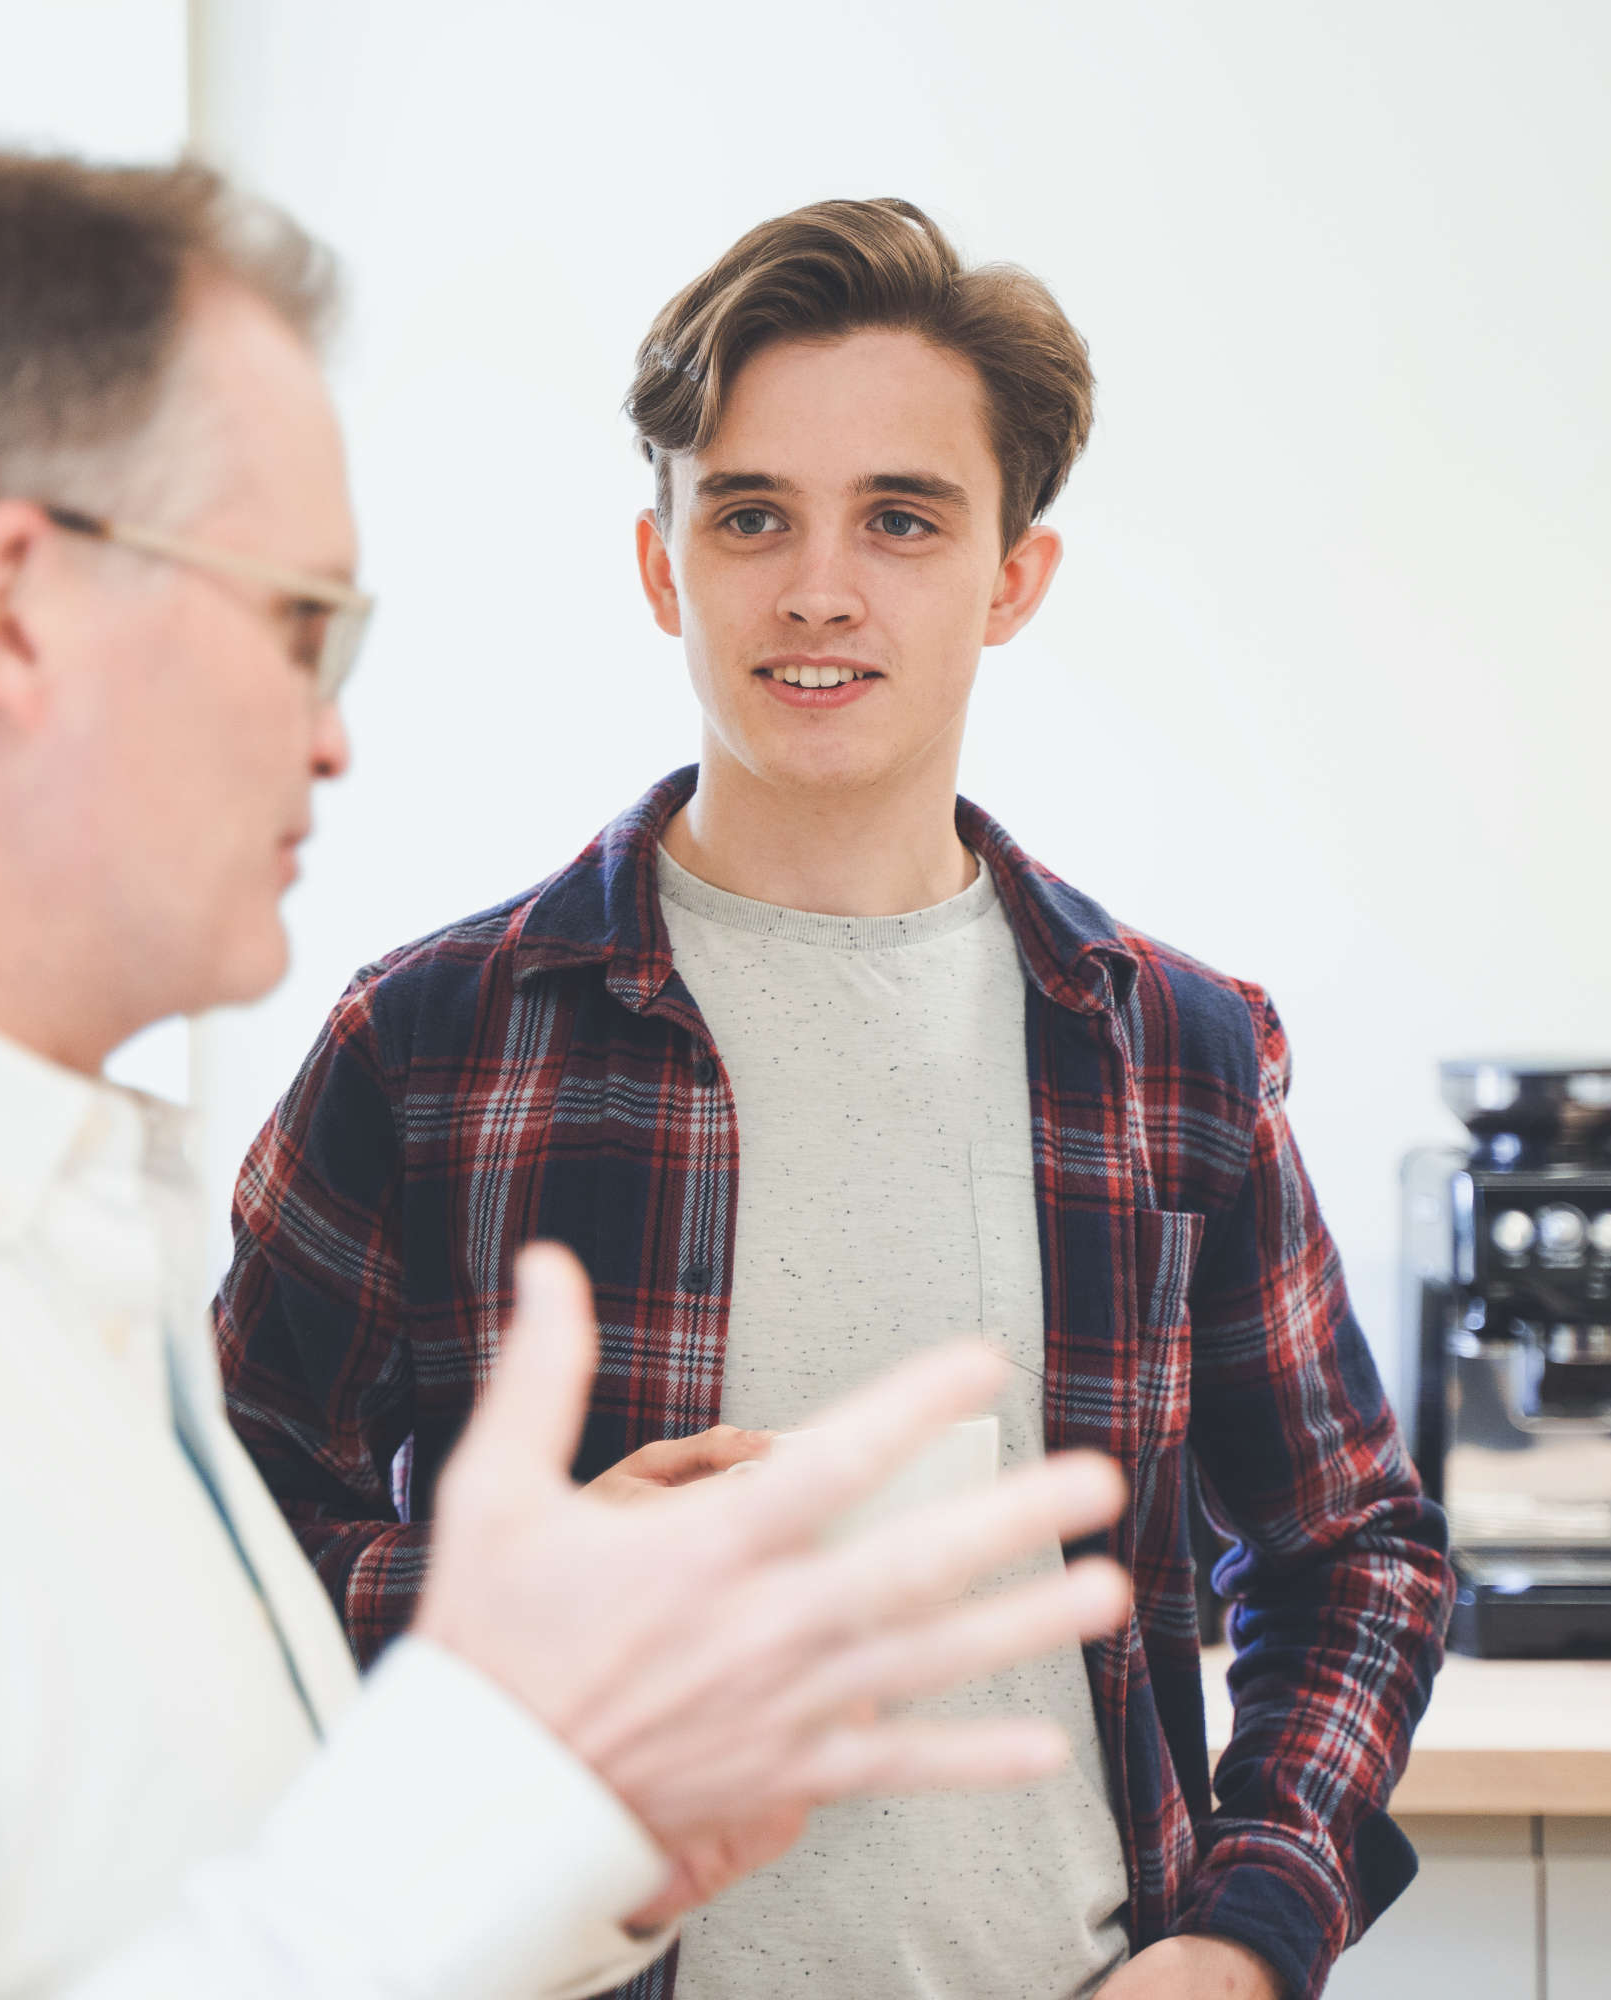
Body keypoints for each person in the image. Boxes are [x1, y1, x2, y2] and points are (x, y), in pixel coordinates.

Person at [0, 159, 1141, 2000]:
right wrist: (509, 1783)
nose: (330, 737)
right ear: (13, 612)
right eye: (292, 619)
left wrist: (569, 1830)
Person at [218, 198, 1454, 2000]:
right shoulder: (430, 1045)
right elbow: (225, 1547)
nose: (817, 588)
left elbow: (1357, 1555)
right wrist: (513, 1598)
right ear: (661, 566)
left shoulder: (1176, 1057)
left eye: (901, 518)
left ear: (1012, 577)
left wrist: (1245, 1941)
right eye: (748, 516)